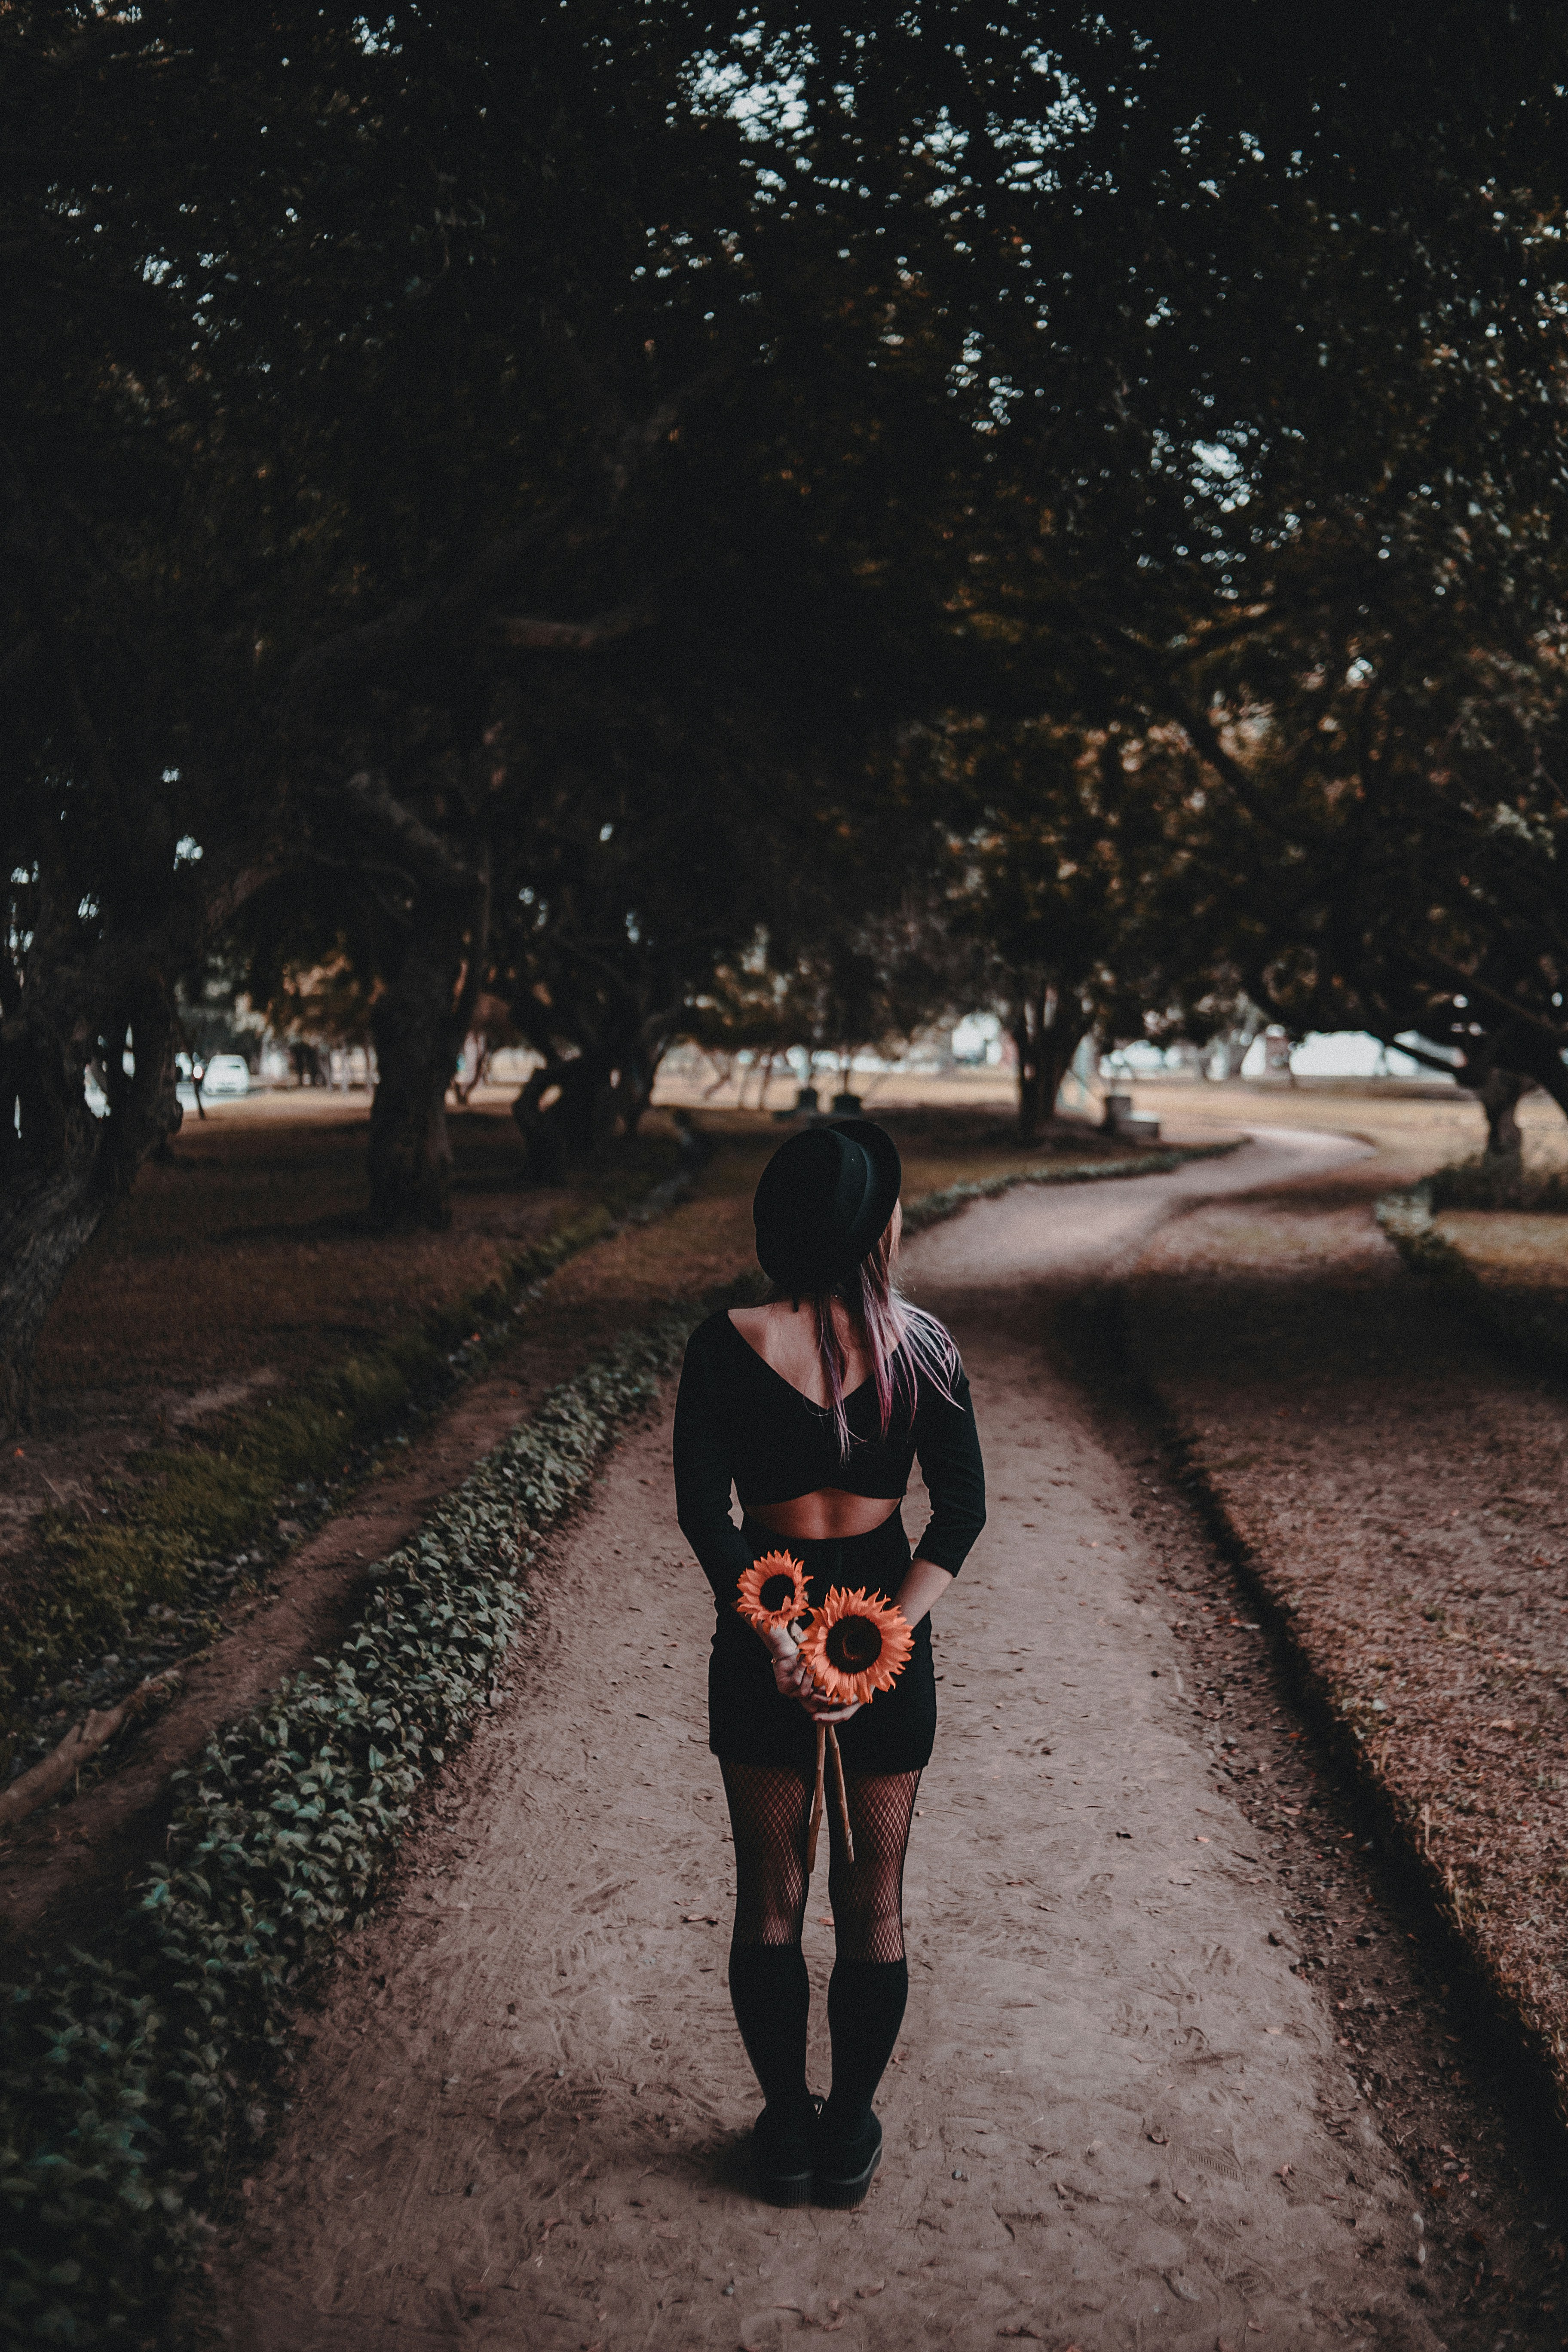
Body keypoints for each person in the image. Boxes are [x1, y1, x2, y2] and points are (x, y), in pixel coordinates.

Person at [674, 1119, 986, 2207]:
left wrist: (782, 1644)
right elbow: (961, 1515)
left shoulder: (723, 1342)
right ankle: (848, 2130)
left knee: (770, 1897)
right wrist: (877, 1646)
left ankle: (786, 2130)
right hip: (885, 1647)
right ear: (873, 1229)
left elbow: (702, 1515)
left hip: (761, 1646)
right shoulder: (925, 1348)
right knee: (875, 1897)